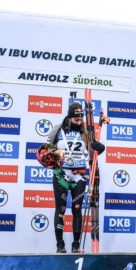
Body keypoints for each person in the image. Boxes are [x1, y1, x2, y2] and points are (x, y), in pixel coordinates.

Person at [46, 102, 105, 254]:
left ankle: (76, 245)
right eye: (76, 118)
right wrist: (54, 152)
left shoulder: (85, 131)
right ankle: (60, 245)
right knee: (60, 209)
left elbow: (93, 151)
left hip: (79, 175)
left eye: (81, 118)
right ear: (70, 116)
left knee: (77, 209)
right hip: (61, 174)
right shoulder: (58, 129)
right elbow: (45, 149)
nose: (79, 121)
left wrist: (100, 148)